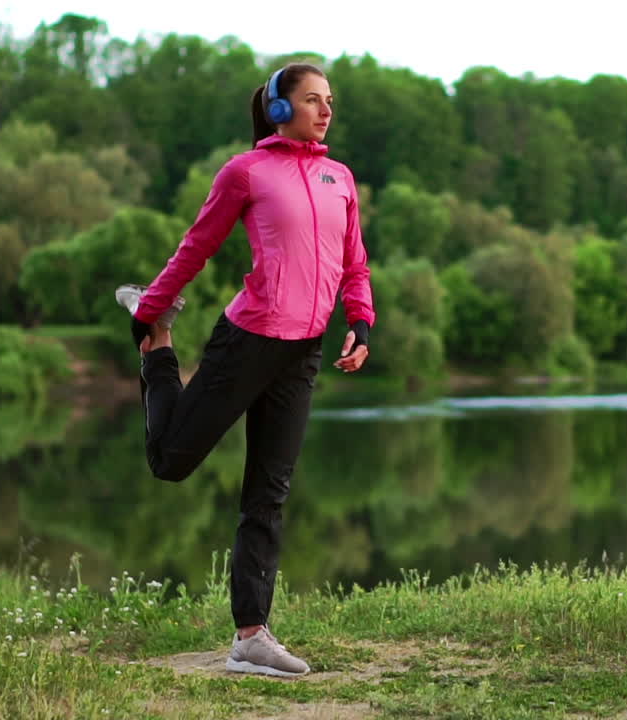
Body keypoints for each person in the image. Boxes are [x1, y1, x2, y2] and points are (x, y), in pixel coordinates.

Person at [114, 62, 374, 678]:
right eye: (312, 100)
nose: (326, 109)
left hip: (301, 351)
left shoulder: (340, 178)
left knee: (269, 493)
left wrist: (360, 322)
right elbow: (197, 245)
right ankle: (159, 347)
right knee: (171, 463)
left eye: (330, 100)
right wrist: (150, 309)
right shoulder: (247, 172)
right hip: (248, 340)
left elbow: (354, 263)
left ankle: (251, 637)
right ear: (280, 110)